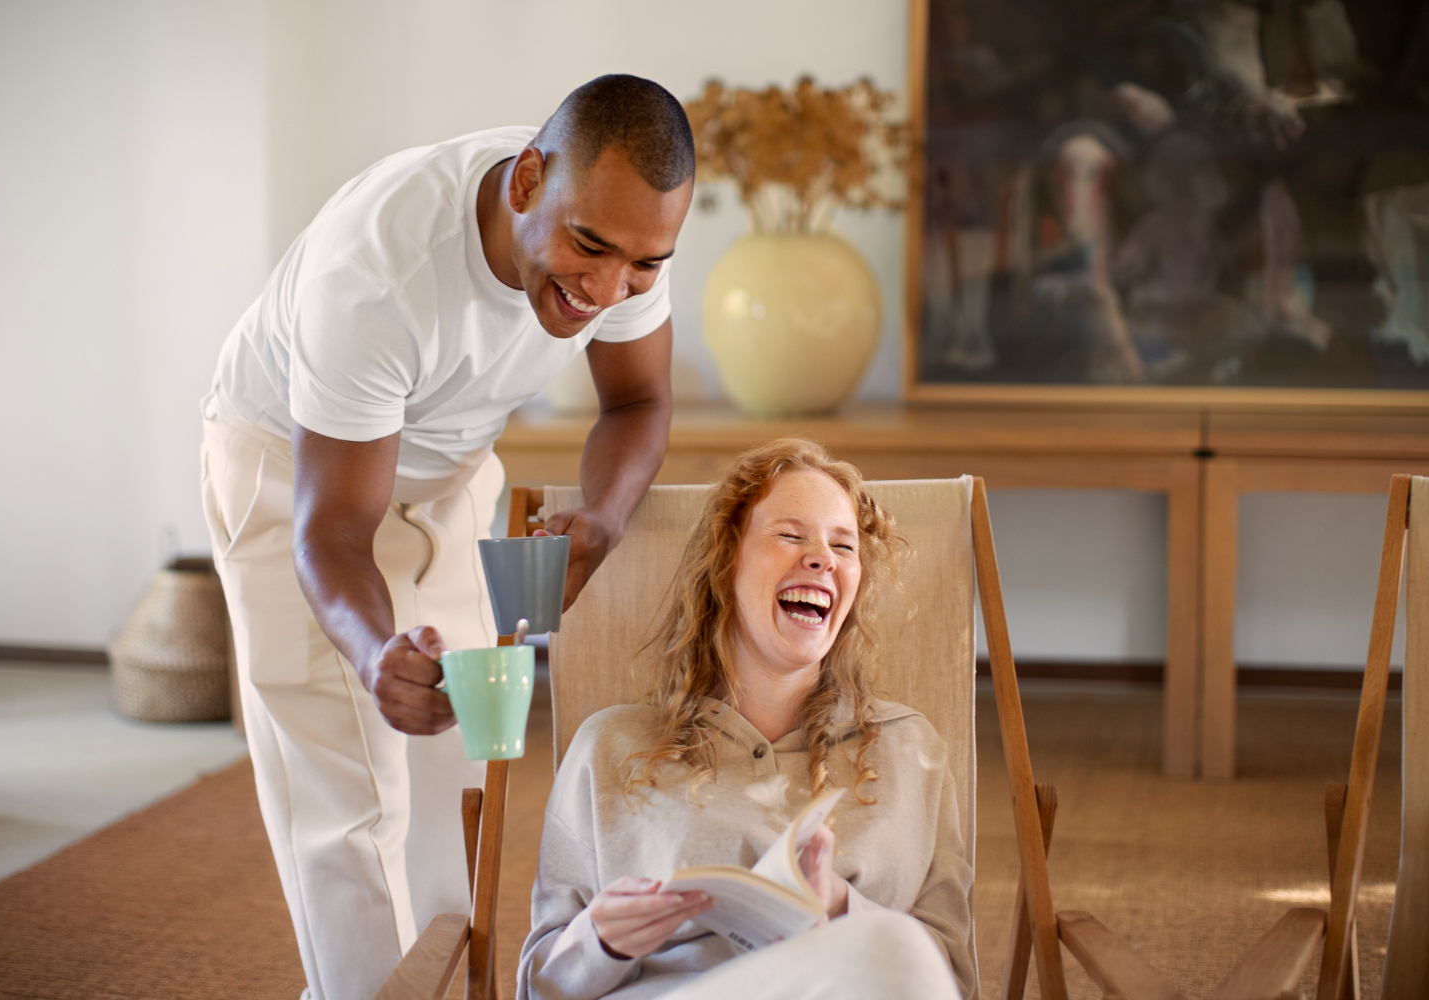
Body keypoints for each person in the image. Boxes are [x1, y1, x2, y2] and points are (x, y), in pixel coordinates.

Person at [198, 75, 694, 1000]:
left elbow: (640, 400)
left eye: (644, 266)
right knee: (354, 795)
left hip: (454, 469)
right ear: (525, 182)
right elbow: (333, 529)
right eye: (588, 250)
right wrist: (373, 648)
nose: (607, 288)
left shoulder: (620, 230)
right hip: (296, 474)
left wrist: (603, 516)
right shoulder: (377, 271)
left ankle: (430, 985)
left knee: (458, 766)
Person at [518, 439, 976, 1000]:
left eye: (843, 545)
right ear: (725, 560)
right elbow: (539, 987)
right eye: (790, 535)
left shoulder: (911, 751)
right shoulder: (610, 745)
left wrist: (839, 908)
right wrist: (599, 940)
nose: (822, 558)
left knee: (901, 947)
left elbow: (948, 978)